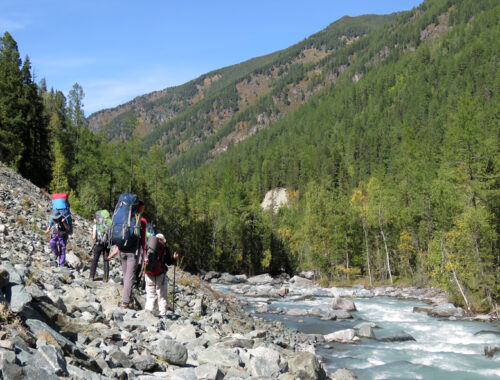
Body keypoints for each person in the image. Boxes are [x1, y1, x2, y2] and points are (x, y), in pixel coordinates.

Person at [108, 200, 146, 308]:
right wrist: (145, 255)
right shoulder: (141, 220)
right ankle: (126, 301)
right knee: (129, 277)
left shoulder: (123, 218)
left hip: (121, 250)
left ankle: (127, 296)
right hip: (132, 253)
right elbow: (143, 241)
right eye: (142, 208)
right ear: (139, 208)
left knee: (126, 276)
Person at [144, 233, 178, 317]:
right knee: (162, 296)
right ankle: (162, 313)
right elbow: (169, 262)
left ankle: (148, 313)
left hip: (149, 273)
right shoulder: (164, 248)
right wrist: (174, 258)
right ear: (163, 240)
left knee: (150, 295)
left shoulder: (148, 245)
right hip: (160, 275)